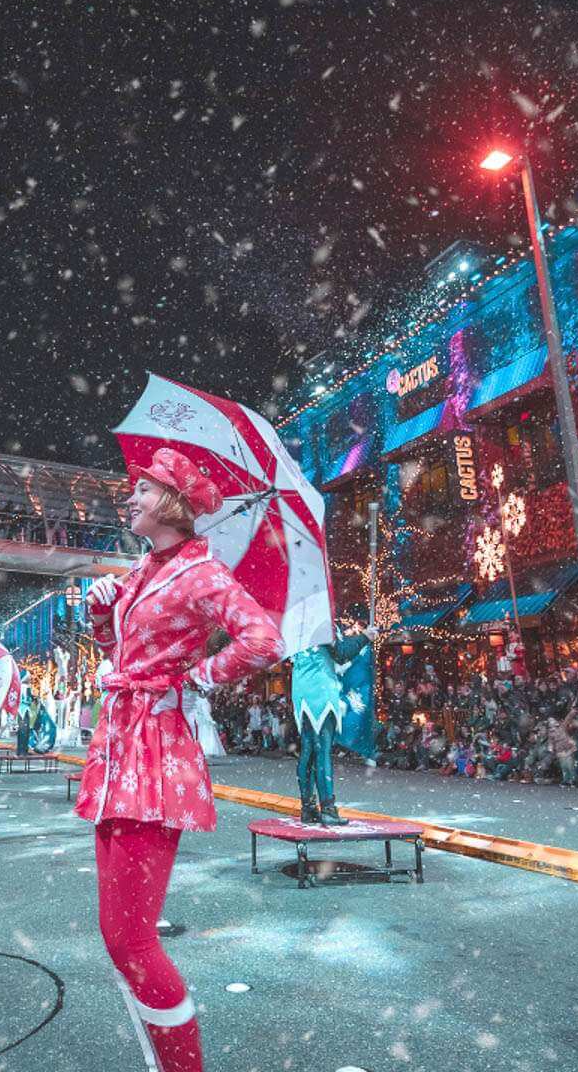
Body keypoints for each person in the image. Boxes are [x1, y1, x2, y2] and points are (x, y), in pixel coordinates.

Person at [75, 447, 281, 1072]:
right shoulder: (144, 569)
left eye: (141, 491)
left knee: (133, 940)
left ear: (169, 501)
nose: (129, 499)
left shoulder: (200, 573)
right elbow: (118, 648)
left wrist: (196, 679)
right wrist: (102, 613)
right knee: (119, 937)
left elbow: (263, 639)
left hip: (153, 748)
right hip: (120, 744)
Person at [288, 622, 377, 824]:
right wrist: (365, 637)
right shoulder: (321, 619)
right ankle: (328, 808)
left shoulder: (297, 621)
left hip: (302, 690)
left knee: (308, 750)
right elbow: (341, 653)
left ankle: (308, 808)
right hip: (320, 691)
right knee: (322, 750)